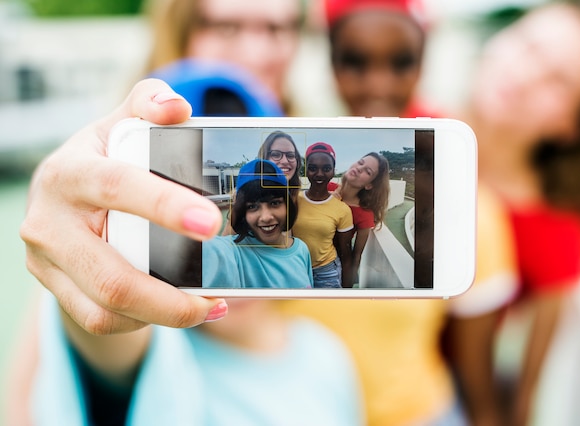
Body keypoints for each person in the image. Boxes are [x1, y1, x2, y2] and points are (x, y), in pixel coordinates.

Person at [13, 80, 364, 425]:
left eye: (274, 199)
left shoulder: (329, 356)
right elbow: (106, 330)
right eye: (170, 205)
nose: (195, 220)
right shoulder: (164, 346)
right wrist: (62, 210)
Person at [283, 0, 520, 425]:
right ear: (330, 62)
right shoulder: (288, 195)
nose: (378, 83)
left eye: (401, 62)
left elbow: (477, 379)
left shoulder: (471, 209)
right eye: (355, 62)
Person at [447, 2, 580, 425]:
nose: (525, 75)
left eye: (558, 80)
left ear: (573, 124)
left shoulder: (558, 236)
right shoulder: (404, 125)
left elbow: (522, 400)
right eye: (528, 45)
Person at [143, 0, 303, 112]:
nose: (254, 55)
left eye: (274, 29)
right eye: (227, 28)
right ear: (179, 33)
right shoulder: (128, 135)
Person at [203, 159, 313, 288]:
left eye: (275, 203)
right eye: (252, 206)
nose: (266, 217)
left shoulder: (301, 250)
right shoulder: (235, 251)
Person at [291, 142, 354, 288]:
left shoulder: (342, 209)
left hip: (326, 272)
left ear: (333, 171)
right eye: (313, 168)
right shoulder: (293, 200)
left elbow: (346, 254)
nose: (319, 174)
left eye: (326, 169)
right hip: (296, 268)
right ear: (306, 170)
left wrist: (348, 293)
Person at [328, 152, 390, 284]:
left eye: (367, 172)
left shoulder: (364, 214)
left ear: (369, 185)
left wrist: (347, 287)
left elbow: (356, 255)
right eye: (360, 163)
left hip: (332, 268)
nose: (359, 168)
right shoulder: (326, 188)